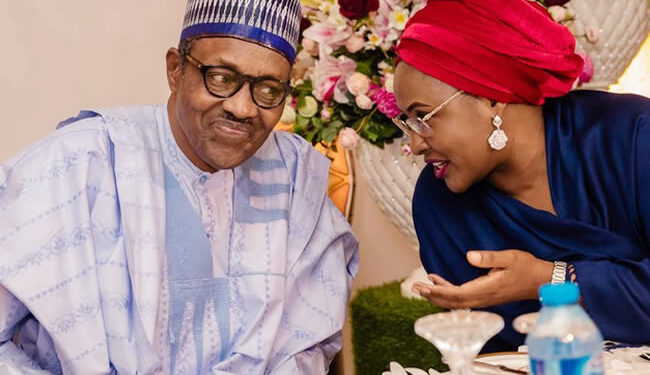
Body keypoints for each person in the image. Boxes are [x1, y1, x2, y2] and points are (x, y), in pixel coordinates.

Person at [0, 1, 359, 374]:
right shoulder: (79, 163)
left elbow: (306, 347)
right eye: (221, 77)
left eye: (268, 89)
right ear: (175, 69)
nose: (242, 108)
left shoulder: (295, 178)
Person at [392, 0, 650, 351]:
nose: (414, 144)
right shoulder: (438, 201)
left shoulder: (631, 136)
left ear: (491, 99)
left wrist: (552, 280)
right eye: (407, 122)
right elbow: (488, 355)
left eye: (424, 116)